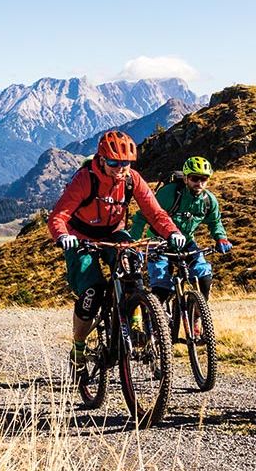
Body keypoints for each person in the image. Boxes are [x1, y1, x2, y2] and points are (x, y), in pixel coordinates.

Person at [48, 130, 186, 368]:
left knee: (131, 267)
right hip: (80, 235)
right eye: (114, 162)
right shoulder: (85, 179)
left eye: (126, 163)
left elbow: (155, 213)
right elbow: (59, 216)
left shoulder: (132, 179)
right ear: (101, 159)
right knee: (92, 291)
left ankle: (133, 322)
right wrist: (63, 236)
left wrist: (172, 232)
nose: (121, 168)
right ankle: (79, 348)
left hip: (113, 232)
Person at [134, 156, 231, 302]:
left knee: (203, 276)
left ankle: (197, 315)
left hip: (186, 243)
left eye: (203, 179)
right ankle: (158, 320)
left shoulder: (209, 201)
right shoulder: (169, 193)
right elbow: (143, 216)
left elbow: (215, 222)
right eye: (194, 178)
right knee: (161, 287)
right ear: (186, 178)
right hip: (158, 242)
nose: (199, 183)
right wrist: (133, 243)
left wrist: (221, 238)